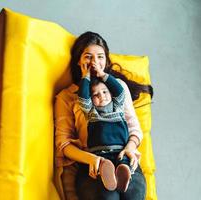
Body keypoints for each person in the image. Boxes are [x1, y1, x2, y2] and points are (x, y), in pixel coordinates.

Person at [54, 31, 153, 200]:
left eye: (100, 57)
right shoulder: (68, 97)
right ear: (78, 60)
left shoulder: (117, 87)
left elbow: (134, 127)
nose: (94, 62)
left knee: (133, 195)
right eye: (88, 57)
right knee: (108, 197)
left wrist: (130, 148)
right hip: (92, 162)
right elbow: (63, 144)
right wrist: (92, 160)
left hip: (124, 157)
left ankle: (123, 169)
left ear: (106, 60)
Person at [78, 67, 134, 192]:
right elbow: (82, 97)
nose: (101, 96)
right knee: (103, 164)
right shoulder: (91, 112)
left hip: (120, 151)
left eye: (104, 92)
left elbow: (119, 90)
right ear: (91, 99)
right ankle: (107, 175)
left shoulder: (118, 106)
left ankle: (123, 173)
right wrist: (86, 76)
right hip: (100, 152)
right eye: (96, 95)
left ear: (110, 93)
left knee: (124, 161)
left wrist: (102, 74)